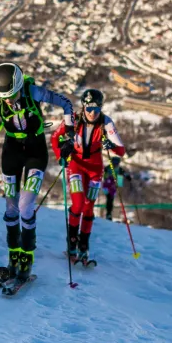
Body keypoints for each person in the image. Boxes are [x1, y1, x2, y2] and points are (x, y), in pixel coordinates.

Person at [0, 62, 74, 283]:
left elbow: (66, 103)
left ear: (19, 85)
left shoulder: (33, 92)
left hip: (36, 150)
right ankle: (13, 254)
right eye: (3, 96)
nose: (7, 100)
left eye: (12, 94)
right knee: (10, 208)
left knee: (25, 206)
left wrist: (70, 135)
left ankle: (27, 255)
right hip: (12, 151)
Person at [51, 88, 126, 264]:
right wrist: (61, 155)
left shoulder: (106, 123)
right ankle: (72, 243)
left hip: (95, 169)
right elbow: (55, 138)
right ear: (83, 107)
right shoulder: (74, 120)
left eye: (96, 109)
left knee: (88, 208)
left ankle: (83, 245)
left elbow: (121, 150)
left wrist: (110, 145)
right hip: (76, 165)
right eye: (89, 108)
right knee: (77, 204)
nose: (93, 113)